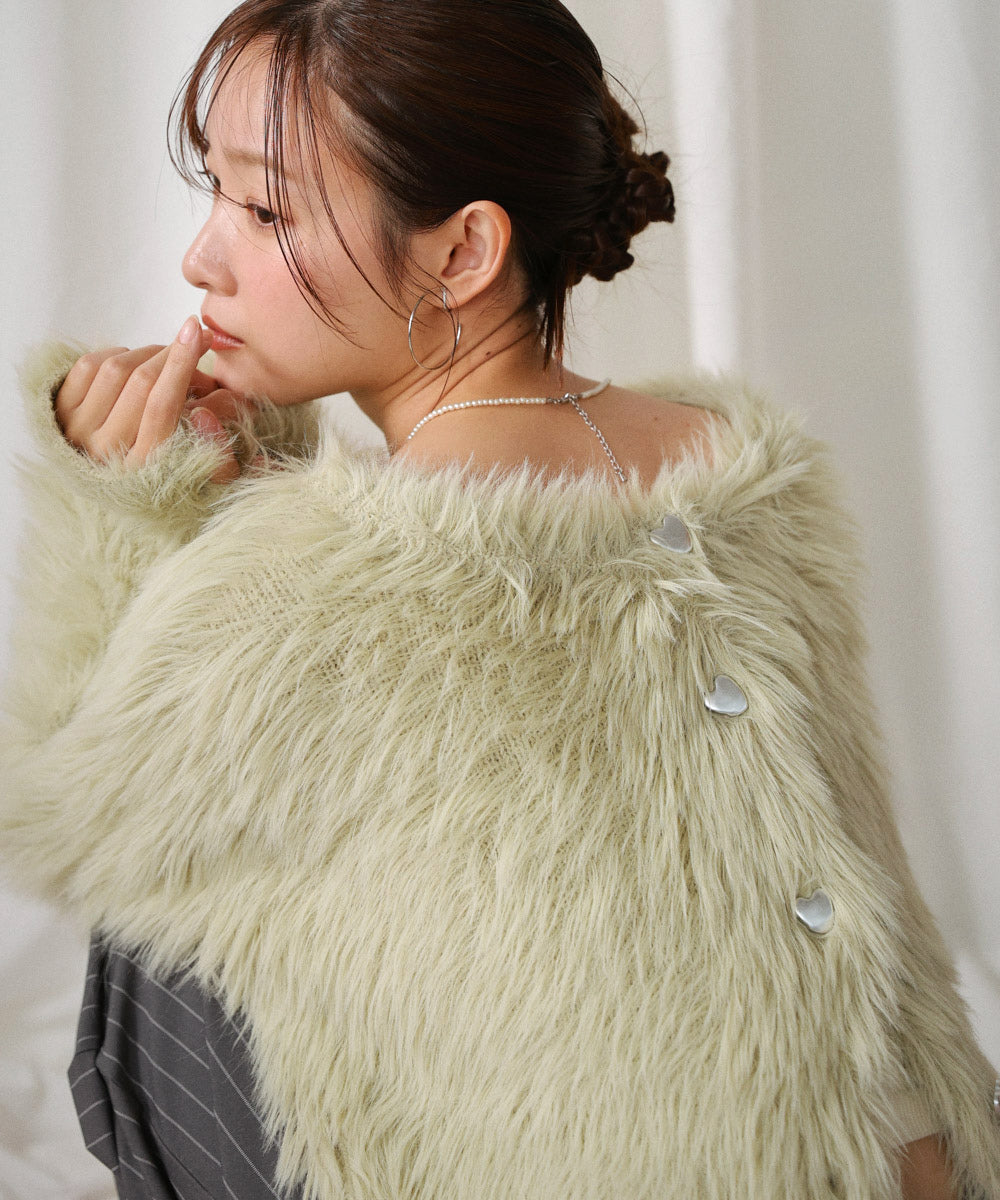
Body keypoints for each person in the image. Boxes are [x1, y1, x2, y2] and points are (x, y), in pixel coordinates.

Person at [1, 1, 998, 1197]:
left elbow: (47, 819)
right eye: (214, 190)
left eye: (265, 210)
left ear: (462, 253)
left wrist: (125, 505)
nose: (201, 259)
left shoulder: (319, 581)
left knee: (145, 954)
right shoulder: (743, 469)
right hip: (932, 1150)